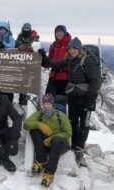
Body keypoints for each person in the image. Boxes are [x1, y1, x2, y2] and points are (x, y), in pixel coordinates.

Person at [39, 37, 100, 166]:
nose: (72, 51)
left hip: (85, 98)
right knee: (72, 122)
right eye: (70, 49)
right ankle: (73, 147)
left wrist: (91, 100)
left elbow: (96, 81)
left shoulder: (87, 61)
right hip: (72, 97)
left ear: (79, 49)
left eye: (74, 48)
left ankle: (79, 150)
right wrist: (44, 57)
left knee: (84, 124)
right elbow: (54, 64)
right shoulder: (69, 60)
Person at [23, 93, 72, 187]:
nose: (46, 106)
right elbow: (26, 124)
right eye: (44, 103)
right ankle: (41, 160)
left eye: (48, 104)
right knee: (34, 129)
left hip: (60, 144)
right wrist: (40, 125)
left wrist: (52, 138)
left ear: (52, 105)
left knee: (57, 140)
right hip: (46, 144)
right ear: (42, 104)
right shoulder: (40, 114)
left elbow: (68, 133)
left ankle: (49, 173)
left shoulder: (60, 116)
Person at [15, 22, 40, 105]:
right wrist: (17, 48)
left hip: (31, 65)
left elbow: (37, 47)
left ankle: (31, 103)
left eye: (27, 29)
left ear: (30, 29)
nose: (26, 31)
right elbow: (14, 47)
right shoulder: (19, 38)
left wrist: (28, 48)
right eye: (24, 29)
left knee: (30, 83)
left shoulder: (34, 38)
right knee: (21, 83)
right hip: (20, 64)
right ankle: (22, 101)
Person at [45, 25, 72, 96]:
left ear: (65, 32)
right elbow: (48, 62)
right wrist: (42, 58)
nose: (59, 33)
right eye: (57, 32)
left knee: (61, 102)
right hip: (53, 77)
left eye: (61, 32)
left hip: (65, 78)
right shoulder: (53, 45)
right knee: (48, 101)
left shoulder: (70, 45)